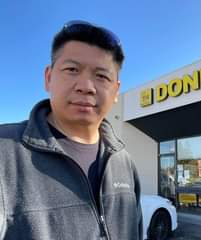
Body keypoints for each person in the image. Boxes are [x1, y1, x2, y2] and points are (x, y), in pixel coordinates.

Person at [0, 20, 142, 240]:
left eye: (102, 76)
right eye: (72, 69)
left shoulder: (123, 161)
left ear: (116, 91)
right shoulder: (4, 153)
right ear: (48, 78)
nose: (86, 86)